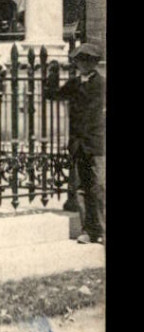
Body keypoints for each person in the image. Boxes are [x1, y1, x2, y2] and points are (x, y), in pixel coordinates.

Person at [48, 42, 105, 244]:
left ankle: (103, 231)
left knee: (100, 186)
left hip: (98, 144)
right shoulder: (73, 84)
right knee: (81, 188)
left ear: (94, 62)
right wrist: (52, 74)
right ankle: (88, 231)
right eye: (80, 60)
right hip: (78, 144)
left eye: (87, 60)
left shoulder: (102, 84)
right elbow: (52, 95)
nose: (83, 64)